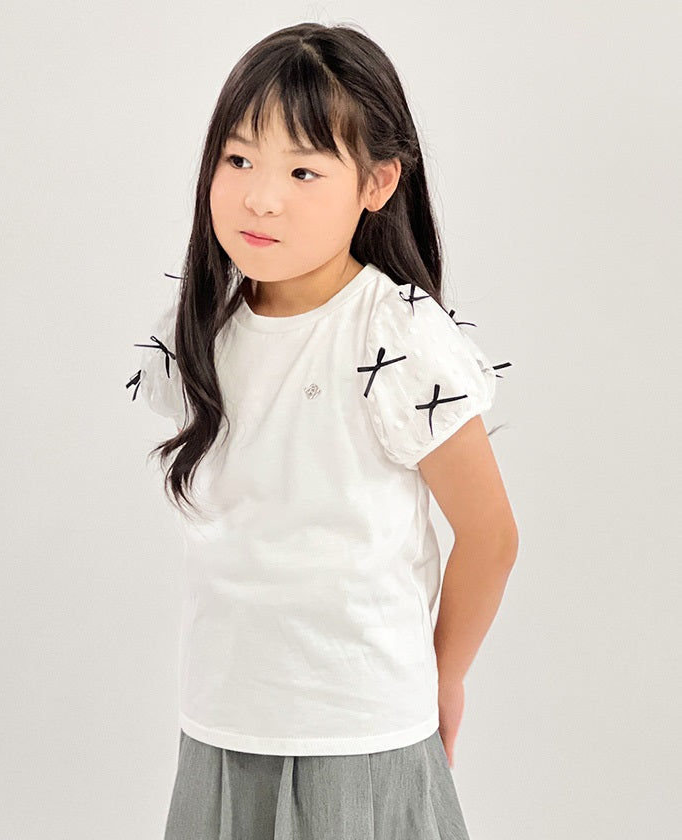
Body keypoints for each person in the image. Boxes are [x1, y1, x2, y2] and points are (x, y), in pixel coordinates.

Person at [126, 20, 518, 840]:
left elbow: (490, 534)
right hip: (223, 723)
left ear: (377, 183)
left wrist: (444, 678)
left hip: (361, 732)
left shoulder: (395, 333)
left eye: (303, 170)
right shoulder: (202, 328)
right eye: (239, 160)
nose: (261, 197)